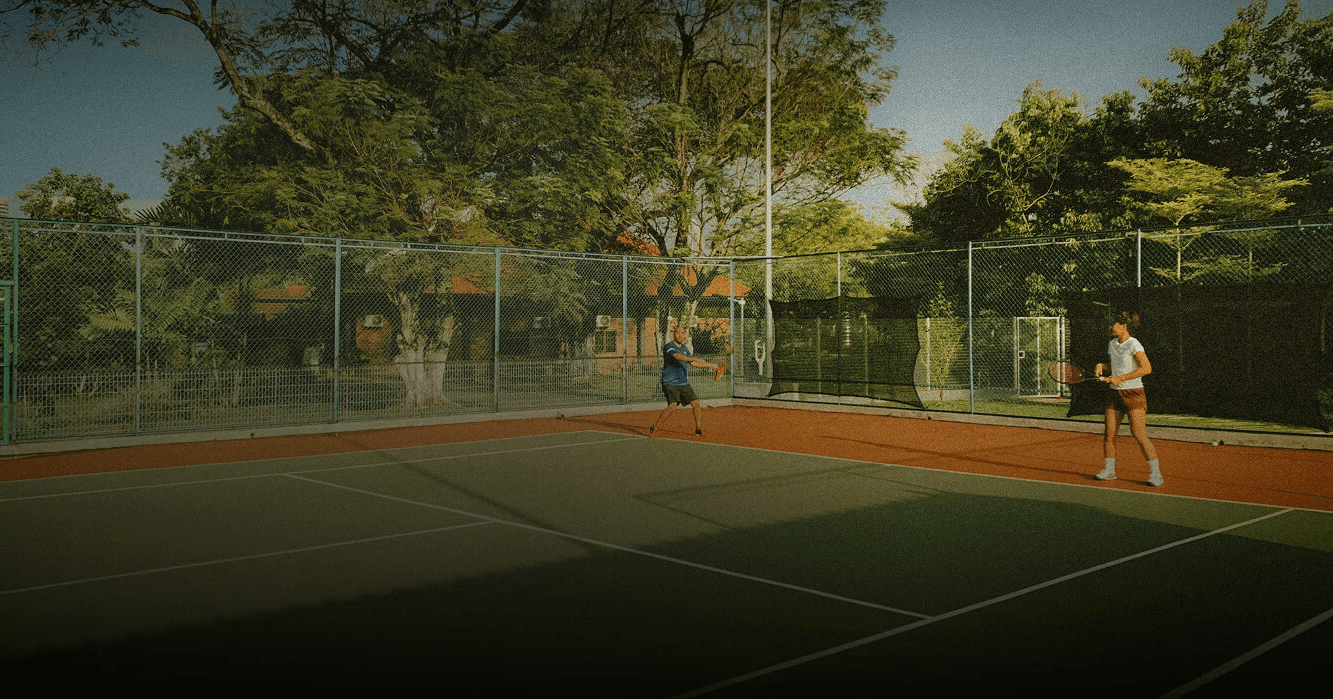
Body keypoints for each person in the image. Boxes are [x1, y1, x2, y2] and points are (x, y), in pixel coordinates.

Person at [1094, 312, 1163, 486]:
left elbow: (1146, 368)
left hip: (1134, 394)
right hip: (1114, 395)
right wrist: (1102, 366)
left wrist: (1121, 378)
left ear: (1123, 326)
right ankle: (1110, 471)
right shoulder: (1112, 344)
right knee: (1109, 435)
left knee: (1139, 434)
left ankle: (1156, 474)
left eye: (1113, 324)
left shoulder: (1134, 344)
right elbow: (1118, 367)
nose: (1110, 328)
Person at [650, 324, 727, 437]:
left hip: (683, 383)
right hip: (670, 382)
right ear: (673, 334)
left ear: (685, 335)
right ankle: (655, 427)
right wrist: (694, 358)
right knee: (672, 405)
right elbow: (677, 356)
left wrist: (709, 365)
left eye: (683, 333)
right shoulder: (668, 346)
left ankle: (698, 429)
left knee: (696, 404)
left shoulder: (684, 348)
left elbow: (692, 363)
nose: (680, 335)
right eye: (678, 332)